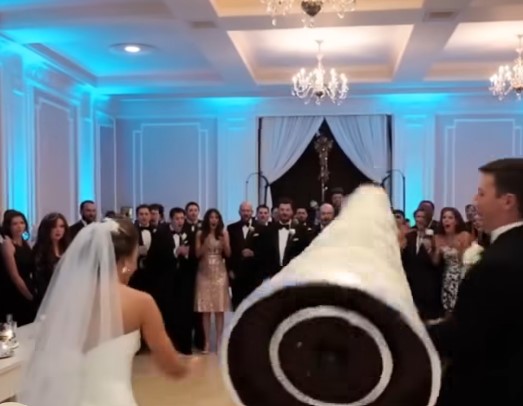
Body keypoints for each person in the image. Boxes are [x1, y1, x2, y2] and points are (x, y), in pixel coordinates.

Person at [18, 216, 188, 406]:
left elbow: (46, 354)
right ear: (126, 260)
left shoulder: (68, 298)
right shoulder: (141, 302)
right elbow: (170, 364)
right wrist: (187, 368)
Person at [429, 158, 523, 406]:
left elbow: (465, 336)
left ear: (508, 201)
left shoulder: (498, 263)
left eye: (481, 193)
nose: (475, 200)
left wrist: (410, 331)